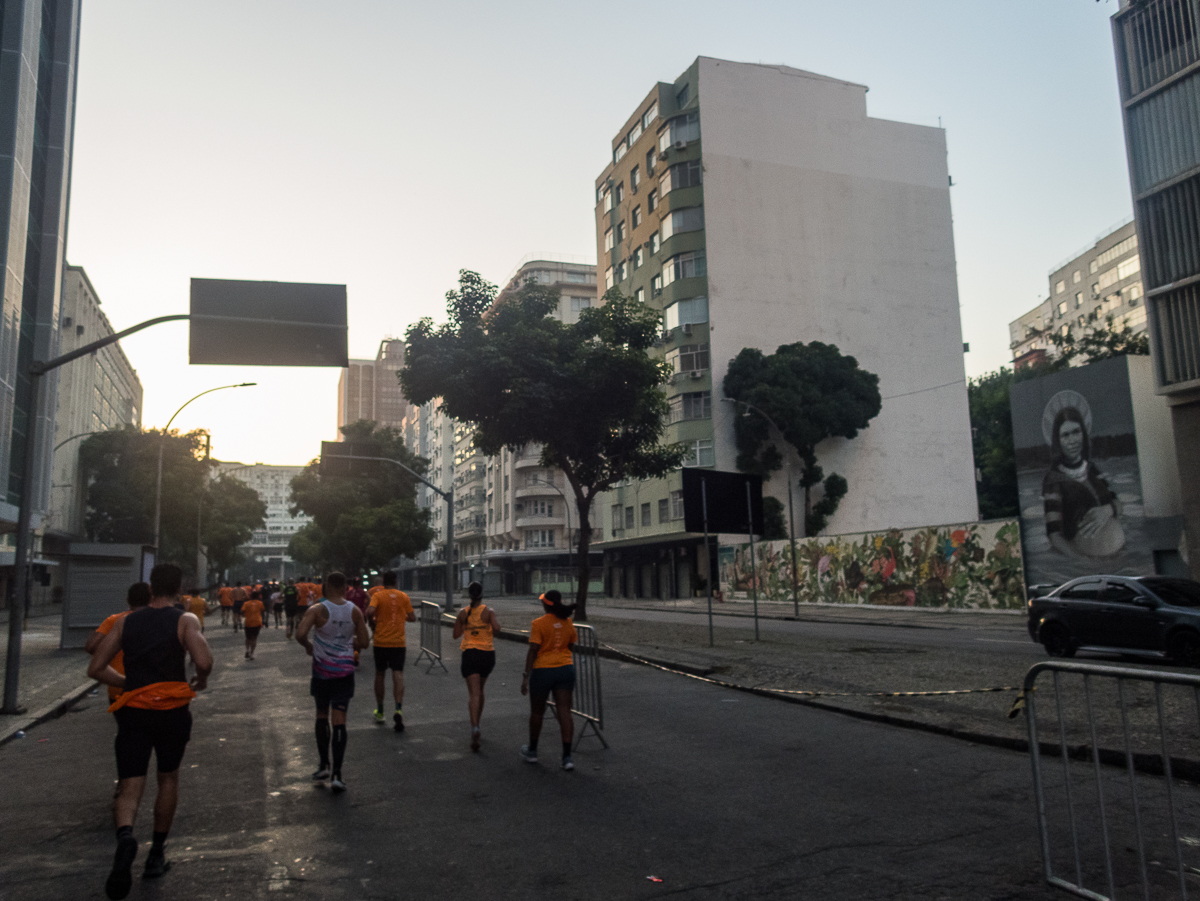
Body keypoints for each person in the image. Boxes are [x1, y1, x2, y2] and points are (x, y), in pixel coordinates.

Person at [87, 563, 213, 900]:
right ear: (177, 588)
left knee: (130, 785)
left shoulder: (127, 621)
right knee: (168, 778)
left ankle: (126, 836)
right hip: (172, 711)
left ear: (151, 587)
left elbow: (95, 667)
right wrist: (200, 680)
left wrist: (127, 682)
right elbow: (203, 661)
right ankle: (156, 854)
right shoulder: (184, 619)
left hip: (133, 711)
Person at [295, 573, 369, 793]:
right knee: (340, 721)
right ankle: (338, 775)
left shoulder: (317, 610)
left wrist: (310, 646)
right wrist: (347, 642)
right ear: (346, 587)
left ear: (326, 587)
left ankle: (323, 765)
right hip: (344, 673)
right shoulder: (354, 611)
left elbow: (300, 634)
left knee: (321, 715)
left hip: (321, 672)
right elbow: (364, 642)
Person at [1042, 404, 1125, 558]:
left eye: (1076, 432)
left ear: (1083, 434)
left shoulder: (1092, 469)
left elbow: (1117, 503)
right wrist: (1083, 562)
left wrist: (1108, 510)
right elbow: (1054, 535)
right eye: (1065, 435)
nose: (1072, 440)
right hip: (1088, 564)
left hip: (1119, 558)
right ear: (1057, 440)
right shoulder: (1053, 480)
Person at [520, 590, 578, 771]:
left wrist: (526, 675)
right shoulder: (568, 623)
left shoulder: (538, 624)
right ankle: (567, 757)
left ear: (546, 604)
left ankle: (533, 750)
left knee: (537, 712)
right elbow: (570, 644)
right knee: (565, 711)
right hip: (565, 669)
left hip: (543, 671)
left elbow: (533, 650)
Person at [85, 582, 152, 707]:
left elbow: (91, 646)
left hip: (118, 686)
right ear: (151, 599)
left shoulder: (115, 620)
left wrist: (108, 653)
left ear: (128, 600)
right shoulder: (159, 620)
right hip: (151, 689)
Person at [453, 581, 500, 751]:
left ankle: (474, 728)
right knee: (480, 691)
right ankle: (478, 724)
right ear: (482, 594)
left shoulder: (463, 613)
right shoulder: (489, 612)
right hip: (487, 654)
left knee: (473, 694)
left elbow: (455, 635)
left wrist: (466, 625)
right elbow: (497, 628)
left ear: (469, 595)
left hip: (470, 654)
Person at [365, 571, 415, 732]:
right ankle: (398, 708)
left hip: (381, 642)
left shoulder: (378, 596)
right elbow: (413, 617)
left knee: (380, 674)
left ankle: (380, 711)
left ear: (383, 582)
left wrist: (373, 622)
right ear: (396, 582)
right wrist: (402, 617)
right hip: (398, 643)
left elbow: (370, 612)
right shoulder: (403, 596)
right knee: (397, 673)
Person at [242, 592, 264, 660]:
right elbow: (262, 611)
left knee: (248, 638)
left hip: (248, 623)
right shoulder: (260, 603)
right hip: (257, 622)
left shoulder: (246, 603)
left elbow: (242, 611)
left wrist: (246, 615)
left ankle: (247, 650)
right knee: (254, 638)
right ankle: (252, 654)